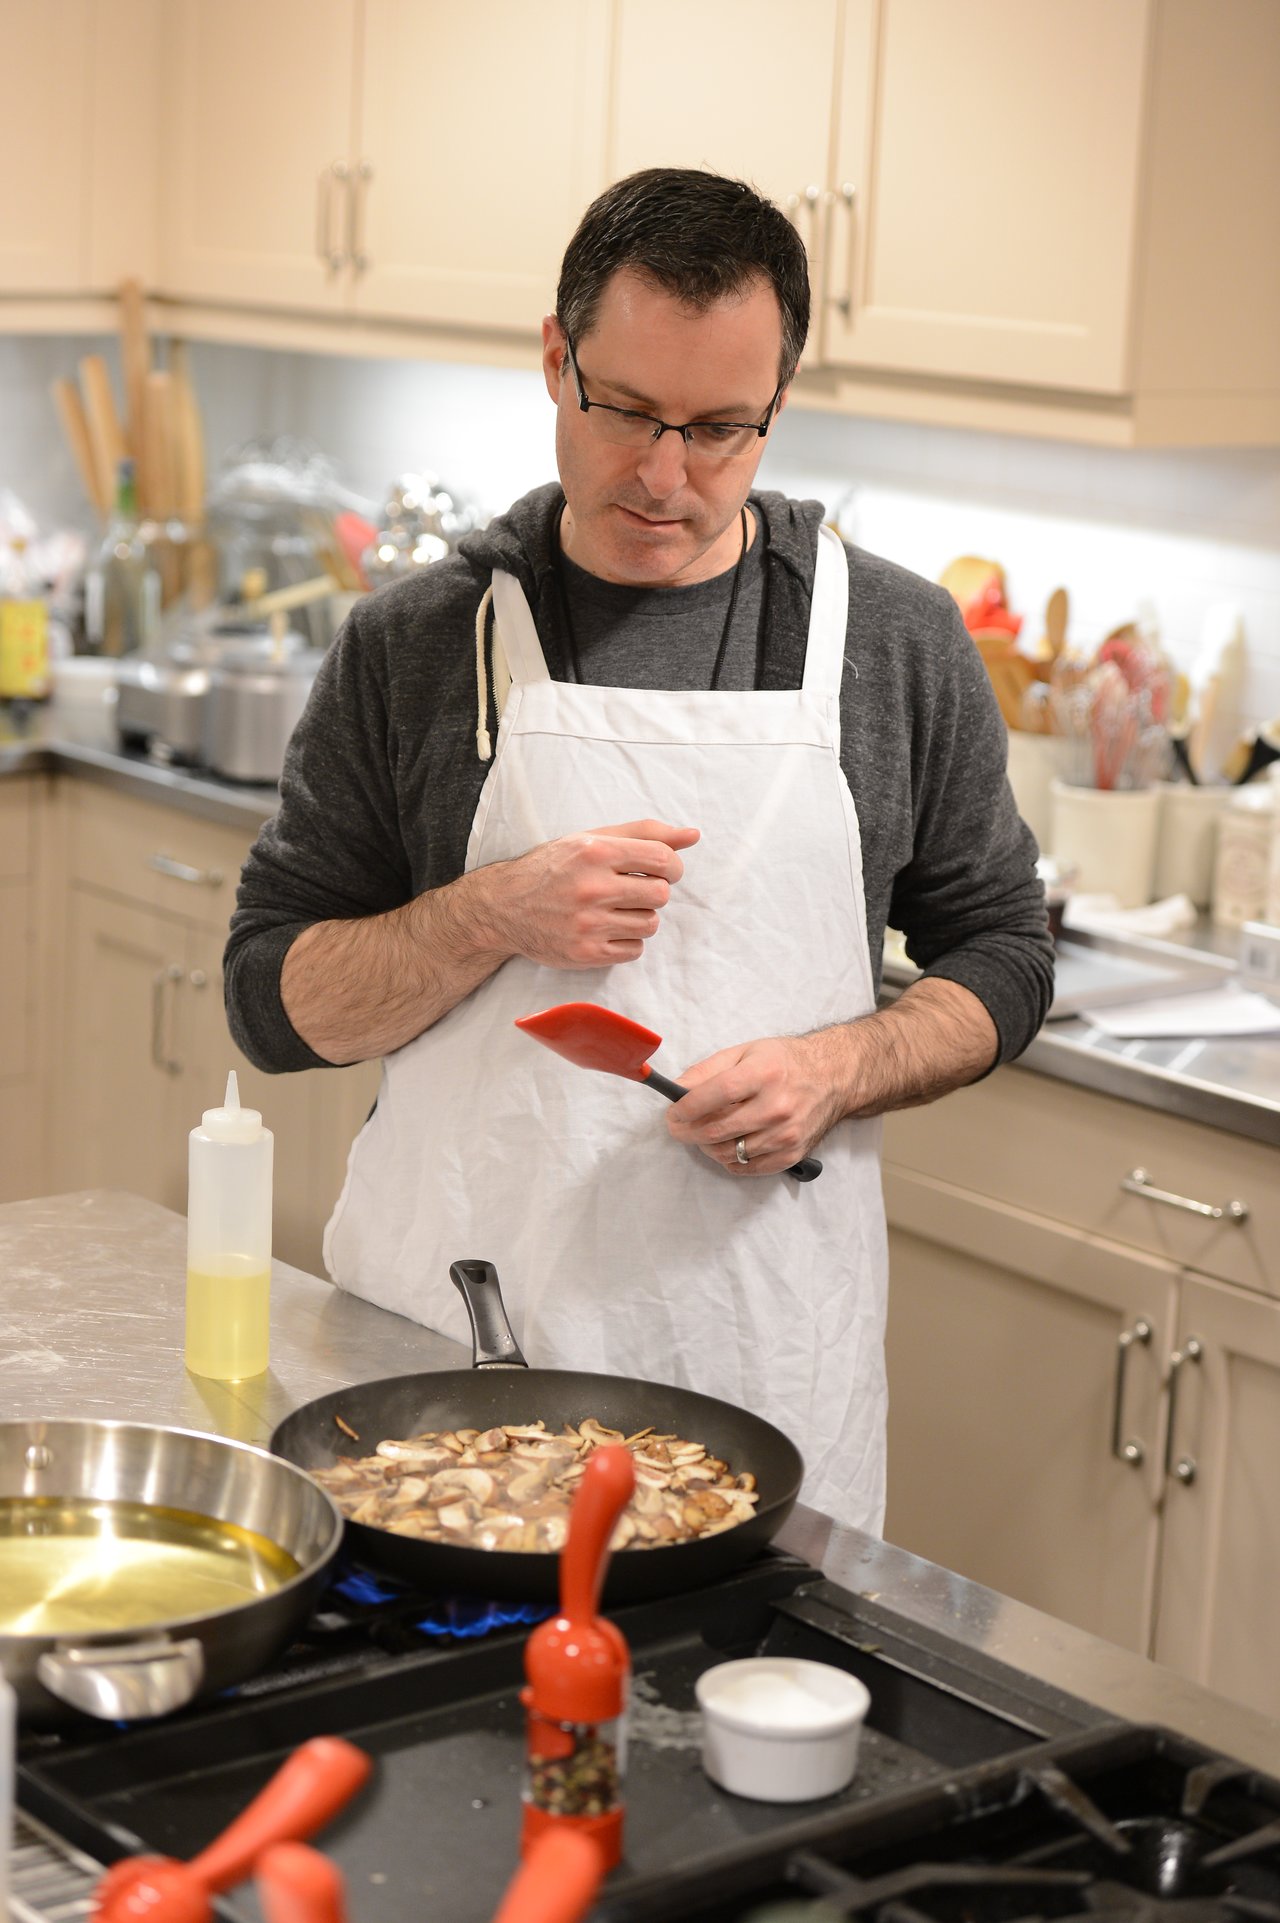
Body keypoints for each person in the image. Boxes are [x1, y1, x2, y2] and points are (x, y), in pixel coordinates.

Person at [225, 167, 1052, 1533]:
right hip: (450, 1369)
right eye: (627, 413)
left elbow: (1008, 956)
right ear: (557, 359)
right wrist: (485, 915)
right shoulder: (420, 645)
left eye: (725, 429)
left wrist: (838, 1067)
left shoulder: (895, 645)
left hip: (767, 1363)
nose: (668, 477)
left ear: (779, 403)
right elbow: (273, 1006)